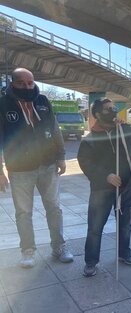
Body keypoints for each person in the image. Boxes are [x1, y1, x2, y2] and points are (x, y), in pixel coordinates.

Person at [0, 68, 73, 268]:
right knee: (23, 212)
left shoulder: (42, 101)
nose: (27, 86)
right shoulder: (3, 104)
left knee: (54, 208)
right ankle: (28, 250)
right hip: (20, 169)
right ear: (12, 83)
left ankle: (59, 246)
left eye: (30, 82)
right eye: (22, 83)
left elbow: (55, 129)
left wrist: (61, 157)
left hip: (48, 165)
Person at [78, 98, 131, 277]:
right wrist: (105, 176)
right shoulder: (90, 139)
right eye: (108, 109)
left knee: (125, 224)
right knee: (95, 227)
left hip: (126, 187)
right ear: (97, 114)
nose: (113, 111)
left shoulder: (126, 130)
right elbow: (85, 162)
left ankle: (124, 253)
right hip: (101, 189)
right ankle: (91, 261)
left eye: (114, 108)